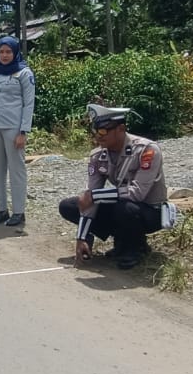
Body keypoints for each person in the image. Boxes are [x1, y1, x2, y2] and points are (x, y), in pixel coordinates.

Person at [58, 103, 168, 270]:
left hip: (151, 211)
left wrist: (94, 196)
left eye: (103, 131)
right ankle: (121, 240)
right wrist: (82, 237)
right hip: (124, 206)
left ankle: (135, 248)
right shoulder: (98, 155)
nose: (98, 136)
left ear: (121, 129)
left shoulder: (146, 150)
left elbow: (137, 193)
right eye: (96, 131)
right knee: (70, 206)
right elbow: (91, 195)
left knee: (123, 207)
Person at [0, 35, 36, 227]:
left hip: (13, 128)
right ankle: (2, 210)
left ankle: (19, 212)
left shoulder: (24, 73)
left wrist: (23, 132)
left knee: (16, 169)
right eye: (1, 51)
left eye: (8, 51)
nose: (4, 55)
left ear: (15, 52)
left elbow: (29, 104)